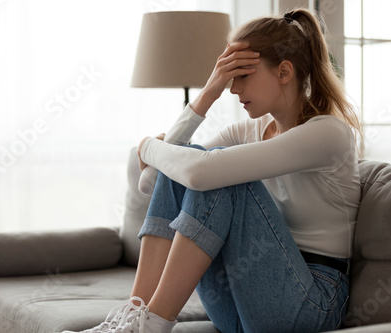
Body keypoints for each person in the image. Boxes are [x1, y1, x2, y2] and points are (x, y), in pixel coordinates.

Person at [65, 8, 361, 333]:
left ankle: (153, 325)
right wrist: (208, 92)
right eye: (228, 78)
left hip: (311, 303)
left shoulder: (328, 134)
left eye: (242, 76)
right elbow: (153, 179)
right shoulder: (246, 133)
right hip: (242, 300)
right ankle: (132, 316)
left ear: (284, 72)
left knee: (217, 173)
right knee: (192, 161)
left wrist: (150, 145)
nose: (233, 90)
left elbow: (200, 172)